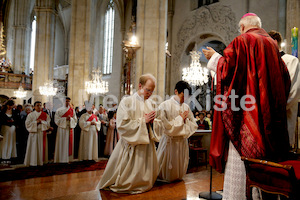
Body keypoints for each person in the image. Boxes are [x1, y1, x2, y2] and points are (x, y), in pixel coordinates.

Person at [202, 13, 291, 200]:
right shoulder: (273, 46)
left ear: (242, 27)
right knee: (264, 169)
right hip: (269, 121)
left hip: (246, 121)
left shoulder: (242, 41)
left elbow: (228, 71)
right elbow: (285, 79)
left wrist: (214, 58)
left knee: (241, 166)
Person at [99, 73, 162, 194]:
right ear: (140, 86)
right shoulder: (127, 101)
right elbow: (122, 124)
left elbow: (155, 122)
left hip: (146, 144)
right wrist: (144, 121)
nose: (150, 94)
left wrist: (153, 122)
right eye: (148, 90)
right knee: (128, 178)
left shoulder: (150, 103)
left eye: (152, 91)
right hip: (131, 145)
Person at [156, 80, 198, 182]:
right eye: (183, 96)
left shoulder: (186, 107)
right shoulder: (164, 105)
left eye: (187, 97)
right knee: (165, 174)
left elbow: (193, 125)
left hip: (181, 142)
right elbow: (165, 127)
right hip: (169, 141)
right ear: (176, 91)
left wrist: (185, 121)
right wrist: (180, 119)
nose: (185, 99)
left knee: (179, 174)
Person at [268, 30, 300, 149]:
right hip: (267, 118)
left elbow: (294, 91)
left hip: (284, 115)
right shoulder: (265, 61)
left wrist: (277, 109)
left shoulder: (291, 60)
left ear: (275, 42)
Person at [24, 101, 51, 166]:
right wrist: (36, 122)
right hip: (33, 134)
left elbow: (48, 124)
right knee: (33, 148)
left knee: (41, 148)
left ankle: (41, 161)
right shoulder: (30, 115)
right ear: (34, 107)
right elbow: (27, 125)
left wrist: (41, 122)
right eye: (37, 105)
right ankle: (33, 162)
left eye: (40, 105)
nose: (39, 107)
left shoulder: (45, 115)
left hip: (42, 133)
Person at [54, 97, 77, 163]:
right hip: (62, 129)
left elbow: (75, 120)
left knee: (68, 144)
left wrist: (71, 119)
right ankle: (61, 159)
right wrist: (65, 119)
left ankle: (68, 159)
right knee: (62, 143)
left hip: (69, 128)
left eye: (68, 101)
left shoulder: (72, 110)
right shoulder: (59, 110)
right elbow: (56, 120)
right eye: (66, 101)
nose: (67, 103)